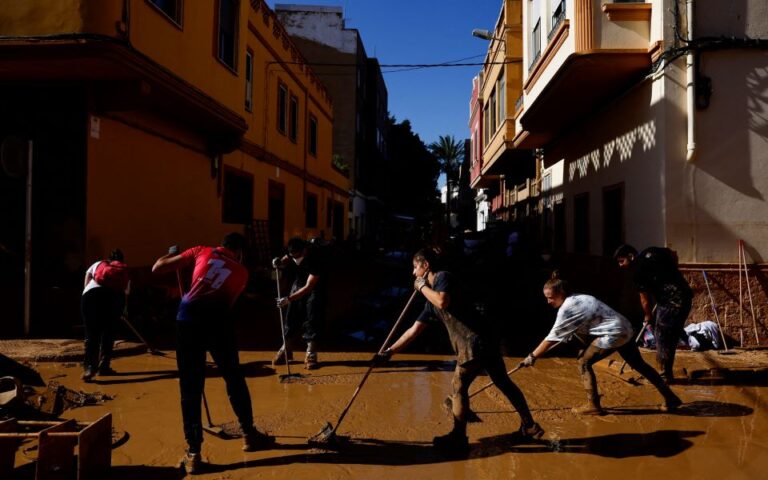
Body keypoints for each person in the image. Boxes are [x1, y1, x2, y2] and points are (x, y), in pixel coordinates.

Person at [378, 248, 543, 457]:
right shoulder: (430, 300)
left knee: (458, 386)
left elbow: (442, 301)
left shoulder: (443, 278)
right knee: (502, 382)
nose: (413, 273)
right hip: (481, 341)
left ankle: (458, 437)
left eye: (415, 267)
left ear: (426, 265)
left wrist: (421, 288)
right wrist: (389, 352)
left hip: (475, 341)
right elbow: (413, 330)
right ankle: (529, 426)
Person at [152, 233, 271, 474]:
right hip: (219, 322)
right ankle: (249, 435)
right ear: (239, 252)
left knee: (190, 387)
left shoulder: (200, 251)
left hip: (187, 320)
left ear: (222, 245)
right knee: (233, 377)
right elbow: (230, 303)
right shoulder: (242, 272)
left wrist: (173, 255)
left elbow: (157, 268)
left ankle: (194, 453)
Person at [520, 272, 682, 415]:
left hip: (613, 334)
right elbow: (585, 328)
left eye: (550, 297)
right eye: (546, 298)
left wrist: (532, 356)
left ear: (561, 293)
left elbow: (551, 339)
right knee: (639, 364)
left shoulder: (566, 309)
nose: (548, 301)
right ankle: (670, 397)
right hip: (625, 328)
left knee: (583, 362)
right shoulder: (580, 297)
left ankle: (593, 405)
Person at [613, 244, 693, 383]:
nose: (620, 265)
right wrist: (671, 273)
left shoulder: (636, 271)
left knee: (661, 335)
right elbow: (673, 254)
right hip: (685, 296)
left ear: (631, 256)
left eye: (622, 261)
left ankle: (663, 375)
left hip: (670, 302)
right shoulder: (652, 251)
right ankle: (667, 370)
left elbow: (644, 300)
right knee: (671, 335)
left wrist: (648, 316)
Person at [272, 237, 327, 370]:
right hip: (300, 281)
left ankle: (311, 352)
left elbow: (309, 287)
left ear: (304, 251)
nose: (295, 259)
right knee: (291, 314)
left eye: (298, 256)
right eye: (293, 256)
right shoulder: (293, 251)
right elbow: (286, 259)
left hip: (315, 285)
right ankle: (287, 348)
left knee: (312, 315)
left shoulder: (316, 258)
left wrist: (288, 298)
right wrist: (278, 262)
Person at [81, 249, 129, 381]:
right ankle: (104, 367)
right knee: (109, 333)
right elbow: (126, 291)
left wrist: (85, 293)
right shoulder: (123, 270)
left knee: (92, 333)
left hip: (91, 295)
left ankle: (90, 368)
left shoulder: (99, 264)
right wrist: (122, 309)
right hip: (115, 297)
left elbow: (87, 277)